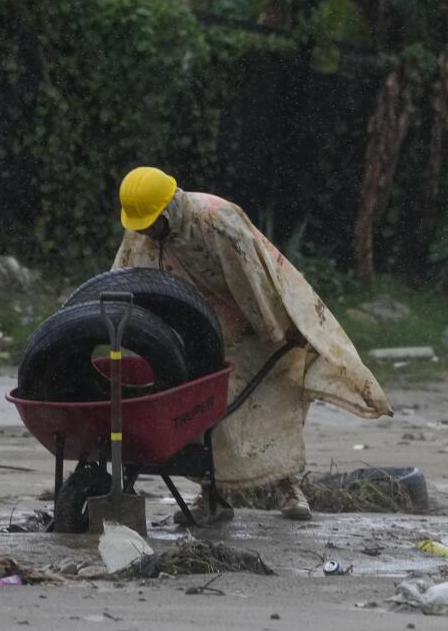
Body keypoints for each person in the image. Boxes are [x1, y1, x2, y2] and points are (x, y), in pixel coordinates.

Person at [112, 166, 393, 523]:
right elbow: (124, 274)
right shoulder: (143, 231)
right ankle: (211, 497)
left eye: (151, 223)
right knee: (200, 416)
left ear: (168, 209)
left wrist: (277, 328)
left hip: (253, 324)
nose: (145, 232)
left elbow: (256, 278)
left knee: (272, 406)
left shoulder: (216, 221)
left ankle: (289, 488)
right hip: (196, 331)